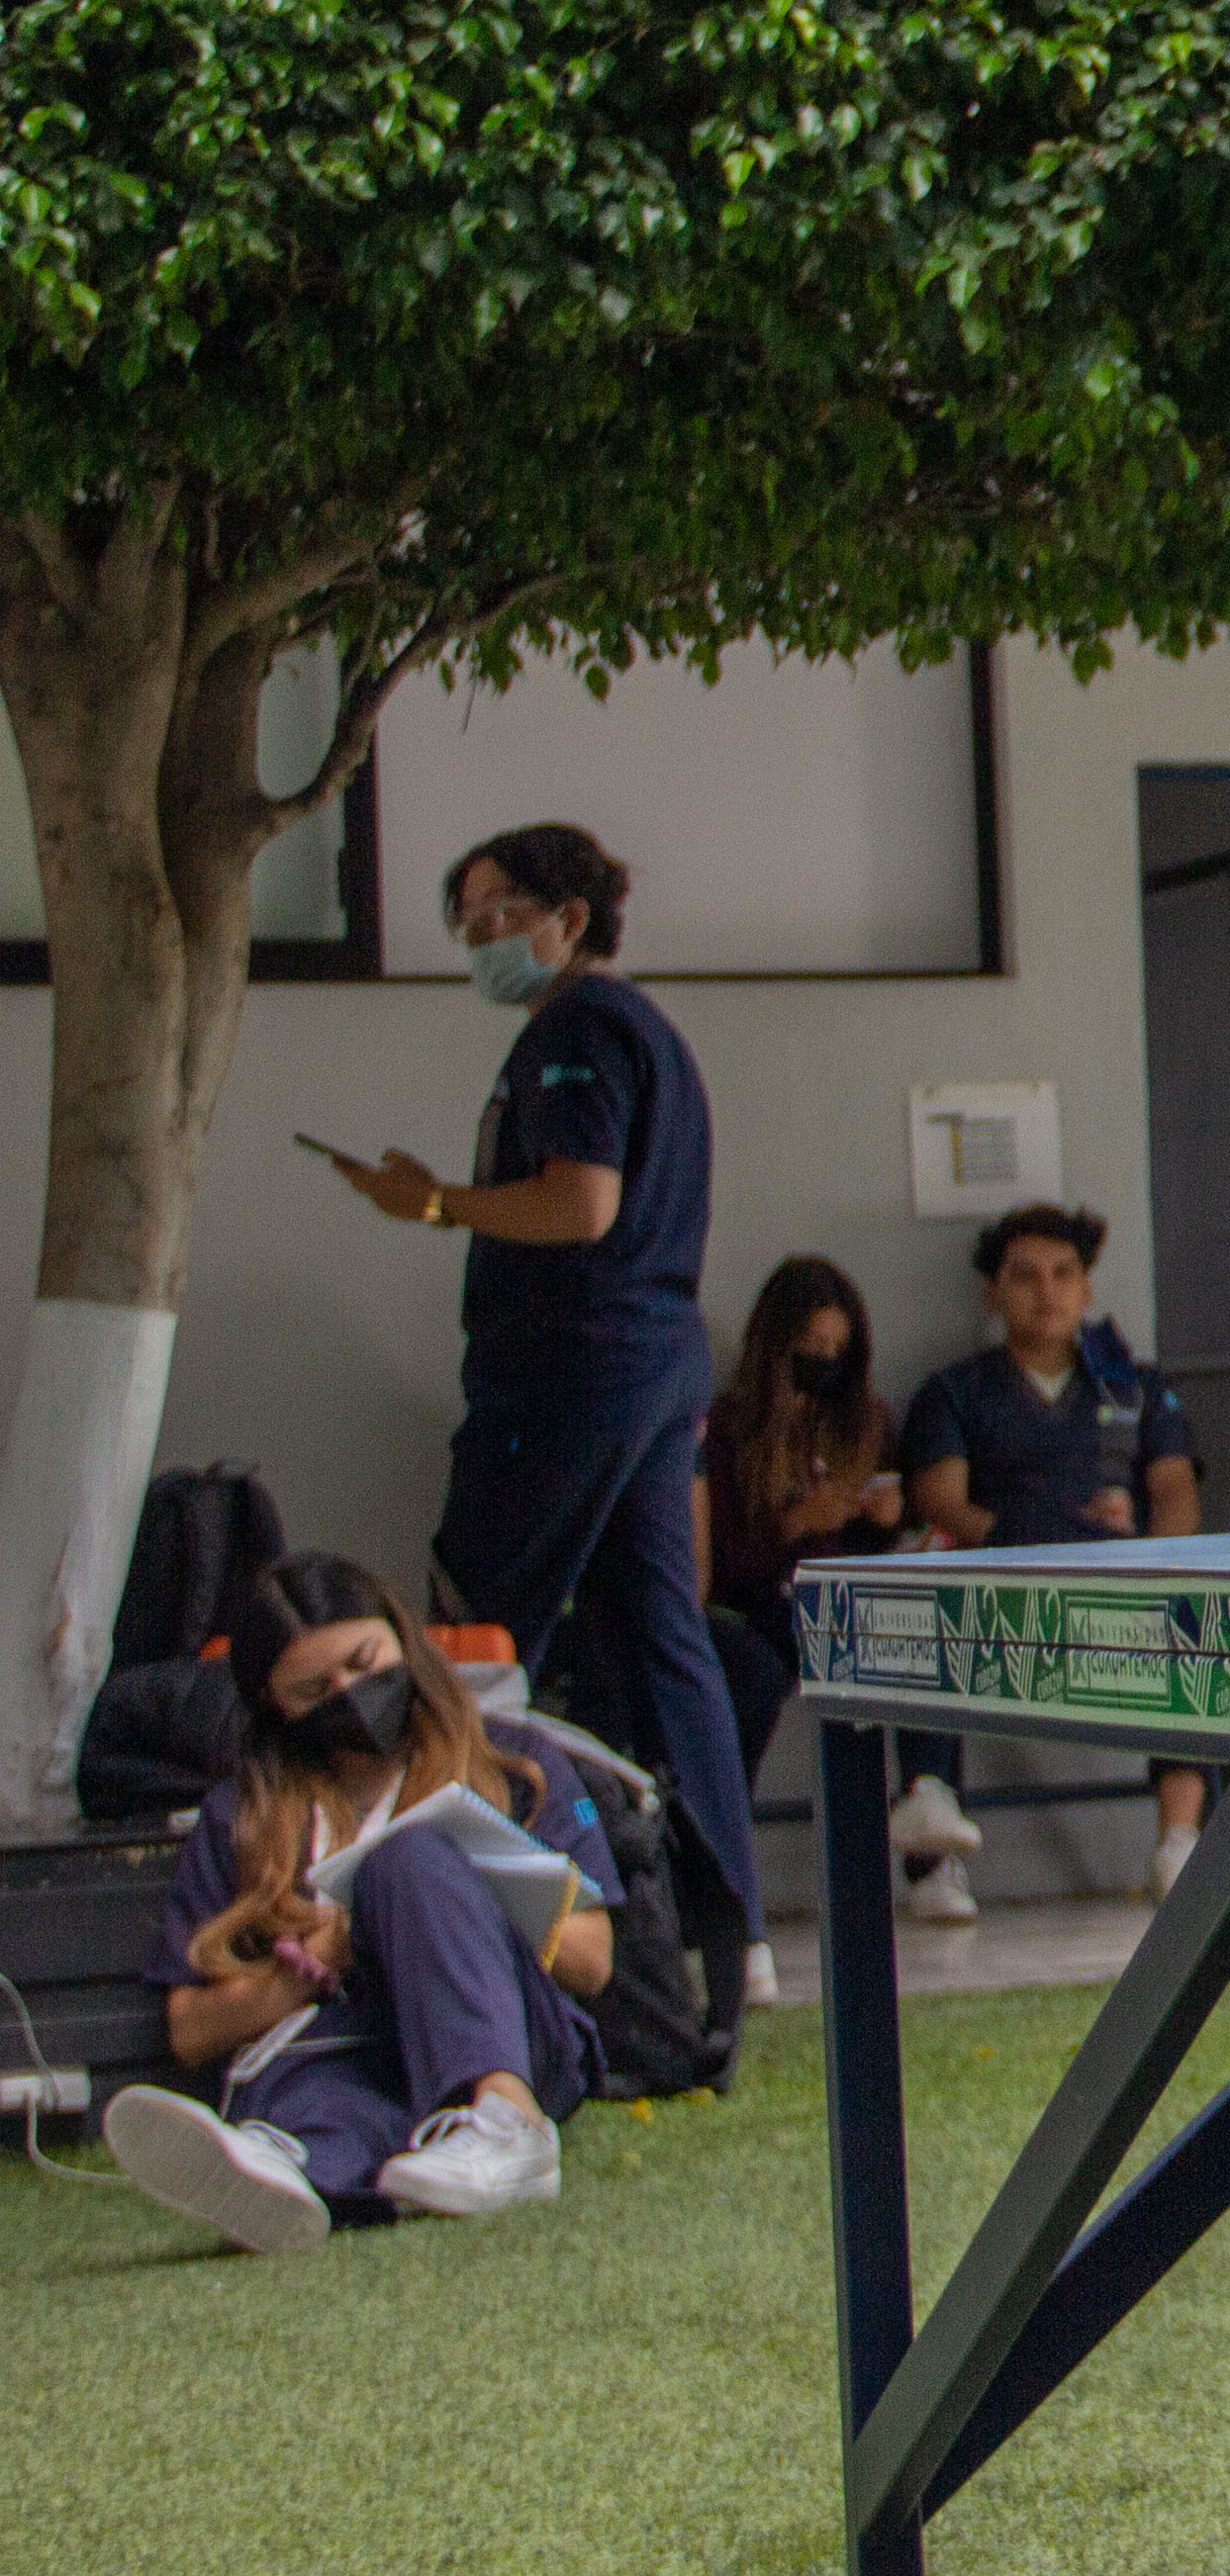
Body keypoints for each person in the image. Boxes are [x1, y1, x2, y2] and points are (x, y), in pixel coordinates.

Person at [331, 822, 755, 1984]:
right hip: (653, 1361)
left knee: (472, 1628)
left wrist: (437, 1206)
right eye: (462, 921)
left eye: (497, 912)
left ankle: (447, 1902)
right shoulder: (649, 1035)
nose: (477, 938)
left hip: (567, 1372)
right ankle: (730, 1933)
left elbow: (579, 1208)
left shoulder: (576, 1029)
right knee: (664, 1639)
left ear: (570, 919)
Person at [99, 1554, 619, 2254]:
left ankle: (506, 2119)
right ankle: (294, 2168)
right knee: (327, 2100)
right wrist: (300, 1974)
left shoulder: (515, 1764)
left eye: (363, 1662)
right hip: (344, 2040)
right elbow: (189, 2030)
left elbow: (594, 1963)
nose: (349, 1693)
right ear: (274, 1707)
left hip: (511, 2033)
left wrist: (466, 1898)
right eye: (315, 1689)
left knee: (404, 1860)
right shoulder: (246, 1816)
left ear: (403, 1642)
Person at [900, 1205, 1205, 1904]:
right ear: (993, 1294)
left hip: (1119, 1590)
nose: (1048, 1292)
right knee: (920, 1592)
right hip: (997, 1592)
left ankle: (1179, 1846)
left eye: (1065, 1274)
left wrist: (1146, 1565)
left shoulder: (1137, 1386)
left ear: (1088, 1287)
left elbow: (1176, 1491)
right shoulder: (954, 1392)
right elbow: (942, 1501)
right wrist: (1025, 1546)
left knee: (1194, 1608)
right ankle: (931, 1848)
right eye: (1026, 1277)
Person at [696, 1257, 903, 1992]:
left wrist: (882, 1516)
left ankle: (921, 1816)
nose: (822, 1368)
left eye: (836, 1355)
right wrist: (795, 1524)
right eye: (808, 1351)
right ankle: (728, 1873)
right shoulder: (728, 1428)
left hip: (840, 1600)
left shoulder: (865, 1422)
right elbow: (719, 1560)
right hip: (759, 1605)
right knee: (744, 1677)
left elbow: (875, 1543)